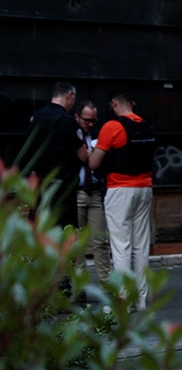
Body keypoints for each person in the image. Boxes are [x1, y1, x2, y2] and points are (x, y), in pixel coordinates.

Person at [89, 90, 156, 311]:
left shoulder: (112, 127)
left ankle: (122, 300)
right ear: (132, 104)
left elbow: (94, 163)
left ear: (115, 103)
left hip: (119, 189)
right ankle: (141, 299)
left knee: (121, 246)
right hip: (145, 188)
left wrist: (91, 151)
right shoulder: (146, 125)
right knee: (141, 246)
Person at [24, 81, 87, 228]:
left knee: (39, 227)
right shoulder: (68, 121)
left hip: (38, 185)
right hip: (61, 187)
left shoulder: (36, 117)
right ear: (69, 95)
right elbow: (83, 155)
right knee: (63, 229)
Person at [75, 100, 111, 285]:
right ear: (77, 117)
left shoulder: (98, 135)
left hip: (95, 191)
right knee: (77, 243)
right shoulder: (72, 134)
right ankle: (79, 289)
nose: (90, 124)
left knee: (100, 241)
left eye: (93, 121)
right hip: (77, 191)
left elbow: (100, 158)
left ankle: (107, 285)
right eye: (87, 120)